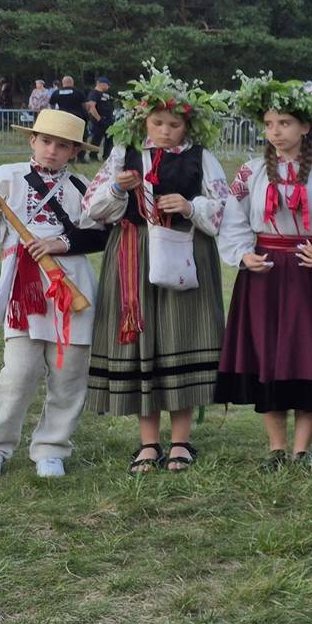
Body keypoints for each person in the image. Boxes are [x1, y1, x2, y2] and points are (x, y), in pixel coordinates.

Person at [79, 67, 231, 473]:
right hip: (133, 251)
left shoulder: (202, 157)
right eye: (157, 122)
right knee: (141, 341)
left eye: (174, 124)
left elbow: (225, 209)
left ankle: (181, 441)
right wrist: (117, 189)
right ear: (143, 121)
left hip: (187, 252)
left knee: (182, 335)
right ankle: (148, 443)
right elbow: (91, 208)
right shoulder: (123, 154)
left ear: (188, 125)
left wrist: (191, 207)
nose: (165, 131)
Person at [214, 76, 312, 467]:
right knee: (268, 356)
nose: (275, 131)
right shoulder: (250, 172)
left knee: (308, 356)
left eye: (285, 123)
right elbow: (234, 220)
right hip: (265, 273)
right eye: (270, 124)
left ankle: (302, 449)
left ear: (305, 127)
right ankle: (276, 448)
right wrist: (245, 255)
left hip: (310, 274)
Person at [0, 109, 107, 479]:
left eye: (62, 146)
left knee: (69, 374)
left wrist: (61, 243)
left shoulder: (82, 186)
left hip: (71, 287)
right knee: (19, 372)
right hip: (24, 288)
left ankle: (52, 448)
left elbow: (101, 234)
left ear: (74, 151)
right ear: (32, 140)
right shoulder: (7, 176)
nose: (52, 151)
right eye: (46, 141)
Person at [85, 75, 116, 159]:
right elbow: (91, 107)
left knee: (109, 139)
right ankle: (93, 155)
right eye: (107, 84)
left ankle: (107, 155)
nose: (108, 86)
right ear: (101, 84)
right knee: (97, 138)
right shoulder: (94, 93)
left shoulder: (106, 94)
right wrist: (99, 119)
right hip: (99, 119)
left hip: (109, 119)